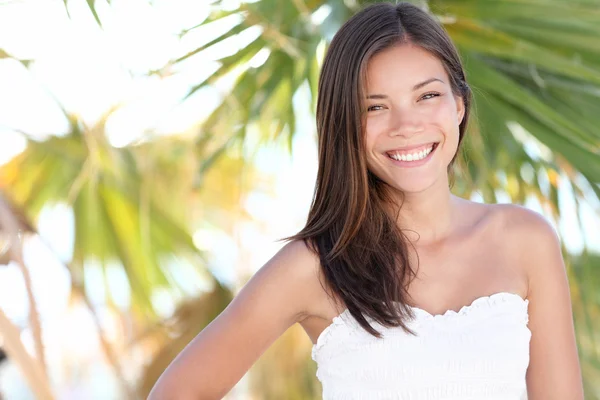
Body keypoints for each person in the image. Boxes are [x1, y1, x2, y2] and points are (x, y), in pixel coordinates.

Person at [148, 2, 584, 399]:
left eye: (427, 95)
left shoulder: (526, 241)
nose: (406, 124)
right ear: (346, 125)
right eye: (375, 107)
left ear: (459, 106)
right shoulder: (315, 266)